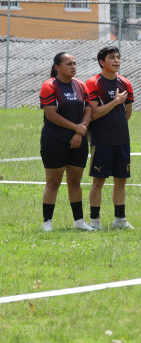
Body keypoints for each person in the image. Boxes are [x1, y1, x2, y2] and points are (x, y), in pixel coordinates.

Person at [39, 53, 94, 232]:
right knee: (53, 182)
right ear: (57, 67)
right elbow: (51, 115)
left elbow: (88, 111)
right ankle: (47, 223)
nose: (73, 67)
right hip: (54, 139)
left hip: (78, 139)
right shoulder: (49, 86)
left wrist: (80, 132)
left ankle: (79, 221)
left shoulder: (81, 85)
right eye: (68, 63)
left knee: (75, 182)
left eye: (74, 63)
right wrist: (76, 128)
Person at [85, 46, 135, 229]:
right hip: (102, 140)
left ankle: (120, 220)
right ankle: (95, 221)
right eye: (112, 57)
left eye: (118, 57)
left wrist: (118, 106)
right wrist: (115, 102)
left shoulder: (126, 83)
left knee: (121, 180)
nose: (116, 61)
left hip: (122, 139)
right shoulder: (93, 83)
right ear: (101, 62)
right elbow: (94, 114)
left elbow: (127, 114)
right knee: (98, 181)